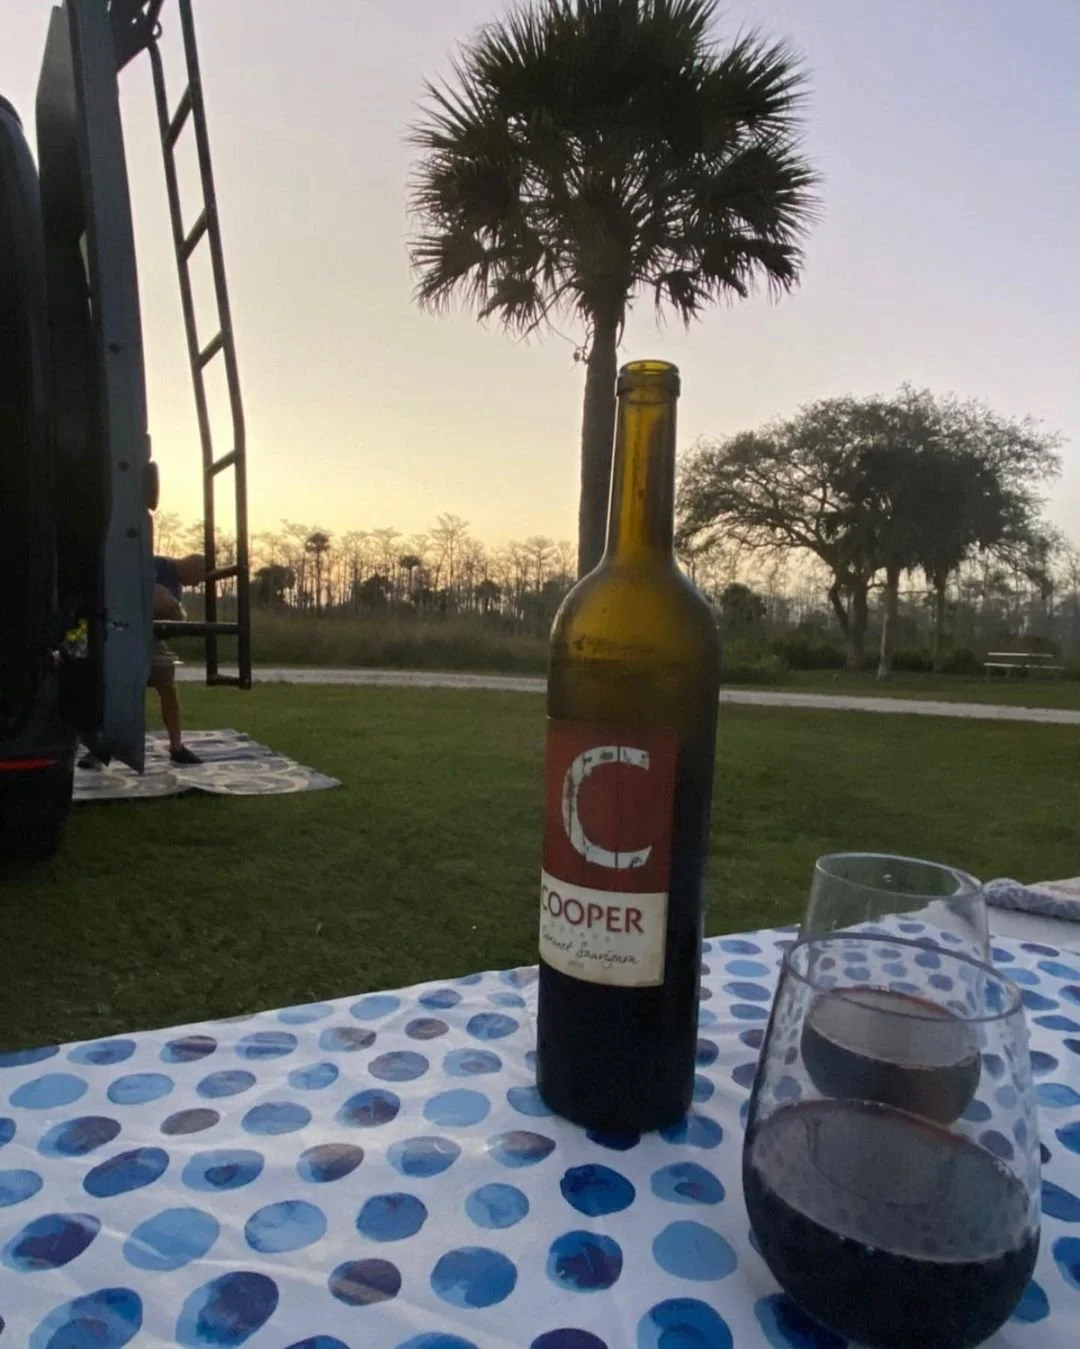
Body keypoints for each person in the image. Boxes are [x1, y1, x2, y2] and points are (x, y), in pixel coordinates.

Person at [151, 553, 206, 764]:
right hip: (122, 629)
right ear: (191, 566)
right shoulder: (155, 564)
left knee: (167, 684)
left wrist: (174, 610)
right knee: (120, 690)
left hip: (151, 636)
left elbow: (175, 614)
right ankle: (100, 748)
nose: (197, 583)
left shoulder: (176, 587)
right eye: (199, 577)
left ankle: (176, 746)